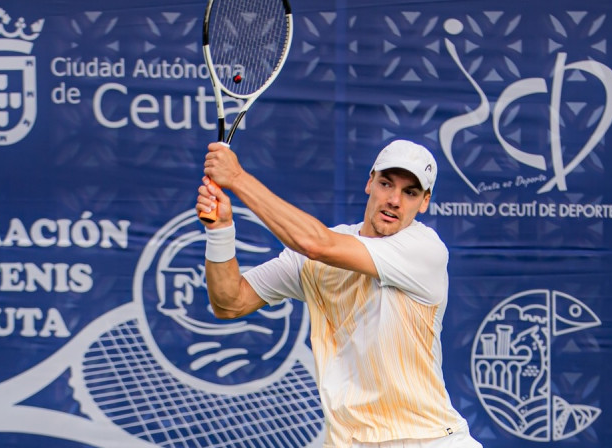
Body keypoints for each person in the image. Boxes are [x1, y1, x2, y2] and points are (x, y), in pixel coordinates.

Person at [196, 139, 482, 448]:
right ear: (369, 182)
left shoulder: (425, 250)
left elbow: (316, 245)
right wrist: (221, 230)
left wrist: (236, 178)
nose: (395, 200)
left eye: (410, 192)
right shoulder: (315, 259)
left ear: (424, 202)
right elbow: (229, 303)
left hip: (429, 440)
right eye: (386, 184)